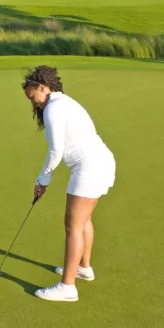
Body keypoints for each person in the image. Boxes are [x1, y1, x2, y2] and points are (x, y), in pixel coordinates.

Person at [22, 65, 116, 302]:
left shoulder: (53, 109)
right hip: (101, 162)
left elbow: (56, 150)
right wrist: (44, 177)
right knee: (83, 220)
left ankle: (68, 287)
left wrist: (43, 178)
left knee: (72, 225)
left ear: (42, 88)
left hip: (89, 168)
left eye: (34, 98)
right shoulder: (64, 103)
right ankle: (83, 268)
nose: (34, 104)